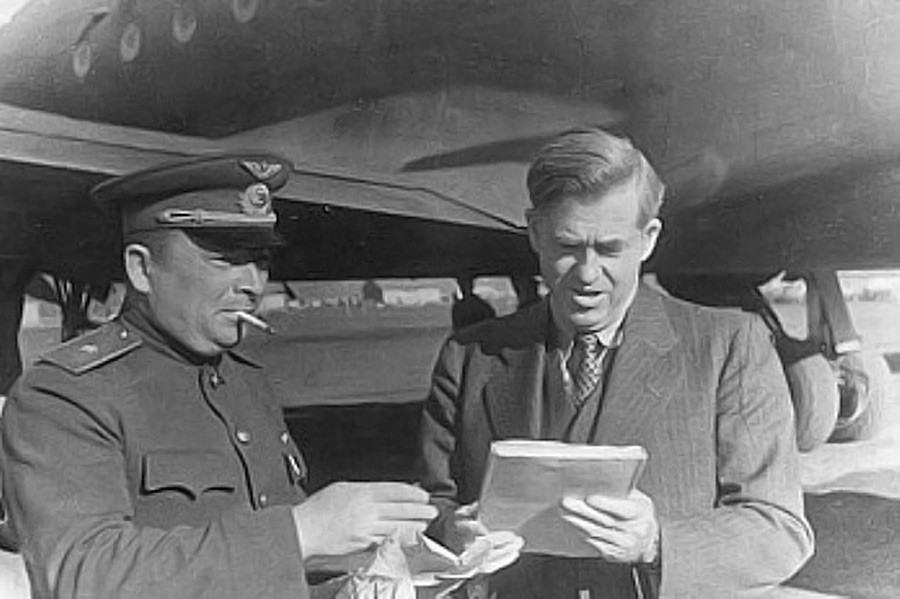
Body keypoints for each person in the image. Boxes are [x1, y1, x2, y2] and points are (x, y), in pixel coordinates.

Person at [0, 154, 437, 598]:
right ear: (142, 268)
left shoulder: (244, 381)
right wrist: (302, 530)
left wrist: (379, 551)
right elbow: (85, 575)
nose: (252, 283)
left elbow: (282, 563)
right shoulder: (65, 394)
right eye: (225, 259)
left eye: (261, 259)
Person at [419, 128, 814, 597]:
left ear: (648, 239)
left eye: (609, 249)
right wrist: (452, 534)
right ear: (534, 233)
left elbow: (780, 531)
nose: (587, 275)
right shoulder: (468, 358)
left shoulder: (729, 347)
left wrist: (658, 543)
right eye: (568, 247)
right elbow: (433, 506)